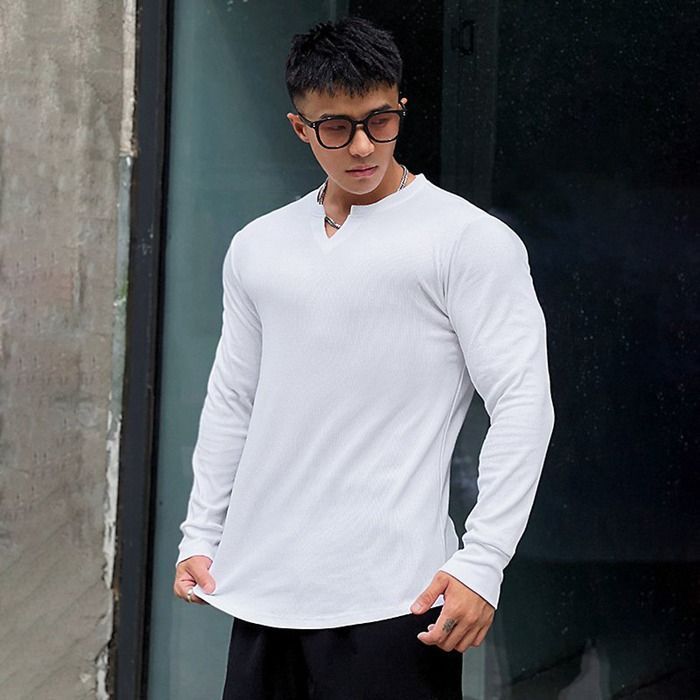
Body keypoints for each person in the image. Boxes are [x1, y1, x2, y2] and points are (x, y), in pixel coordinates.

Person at [172, 15, 555, 700]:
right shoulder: (258, 246)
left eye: (380, 121)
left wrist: (484, 560)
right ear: (299, 128)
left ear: (401, 108)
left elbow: (524, 402)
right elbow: (233, 398)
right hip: (262, 591)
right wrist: (200, 532)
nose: (361, 145)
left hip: (395, 600)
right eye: (336, 127)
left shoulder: (467, 240)